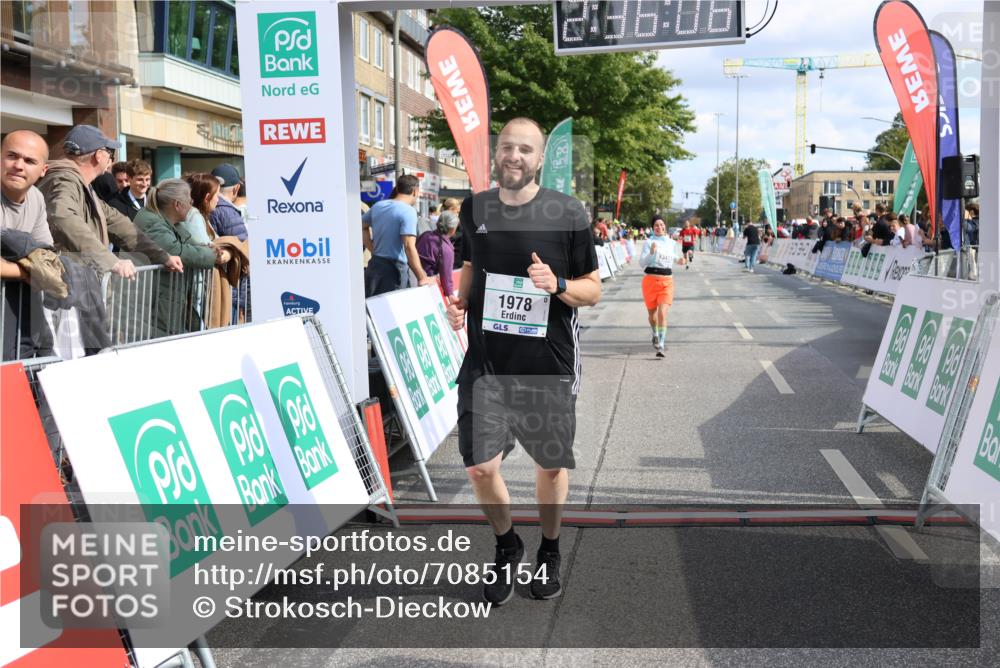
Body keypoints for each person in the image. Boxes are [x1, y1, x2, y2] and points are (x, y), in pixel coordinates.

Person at [445, 117, 600, 606]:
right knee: (480, 468)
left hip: (546, 363)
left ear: (540, 159)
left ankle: (549, 549)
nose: (514, 156)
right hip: (487, 362)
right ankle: (507, 544)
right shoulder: (476, 208)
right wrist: (460, 301)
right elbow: (471, 264)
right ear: (496, 153)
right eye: (507, 147)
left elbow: (592, 289)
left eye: (525, 150)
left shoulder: (567, 212)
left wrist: (558, 284)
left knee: (549, 466)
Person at [37, 124, 182, 278]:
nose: (111, 160)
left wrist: (161, 256)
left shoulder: (80, 184)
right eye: (110, 153)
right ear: (99, 155)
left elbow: (118, 223)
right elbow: (63, 218)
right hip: (65, 284)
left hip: (76, 281)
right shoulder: (64, 180)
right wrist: (109, 261)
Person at [134, 179, 230, 335]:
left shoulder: (166, 220)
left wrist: (209, 250)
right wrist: (213, 256)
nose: (192, 206)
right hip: (153, 303)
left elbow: (188, 243)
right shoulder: (151, 222)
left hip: (164, 298)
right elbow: (177, 250)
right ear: (177, 205)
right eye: (190, 202)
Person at [362, 174, 432, 297]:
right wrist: (422, 277)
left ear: (398, 188)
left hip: (375, 265)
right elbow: (409, 246)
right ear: (415, 191)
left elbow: (363, 226)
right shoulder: (408, 211)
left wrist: (372, 249)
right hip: (394, 270)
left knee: (372, 306)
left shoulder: (378, 206)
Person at [640, 216, 683, 357]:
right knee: (652, 315)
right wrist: (651, 253)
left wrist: (681, 260)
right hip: (650, 282)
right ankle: (655, 334)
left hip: (666, 282)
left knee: (663, 313)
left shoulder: (672, 243)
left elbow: (675, 258)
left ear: (665, 226)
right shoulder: (649, 242)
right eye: (656, 225)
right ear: (653, 228)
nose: (659, 227)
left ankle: (661, 345)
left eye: (662, 224)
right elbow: (642, 263)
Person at [416, 209, 459, 297]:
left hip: (413, 278)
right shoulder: (446, 249)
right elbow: (446, 277)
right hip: (428, 285)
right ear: (452, 229)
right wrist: (450, 294)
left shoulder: (425, 235)